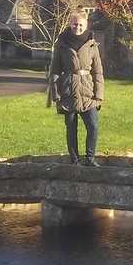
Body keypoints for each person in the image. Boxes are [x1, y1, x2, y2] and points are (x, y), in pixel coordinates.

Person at [49, 11, 104, 166]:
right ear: (70, 24)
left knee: (93, 127)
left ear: (86, 26)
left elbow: (98, 71)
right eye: (75, 24)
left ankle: (90, 158)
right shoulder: (62, 43)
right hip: (68, 92)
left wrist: (98, 94)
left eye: (80, 25)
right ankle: (74, 160)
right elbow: (54, 70)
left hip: (88, 93)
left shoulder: (92, 44)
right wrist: (55, 95)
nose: (77, 27)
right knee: (71, 129)